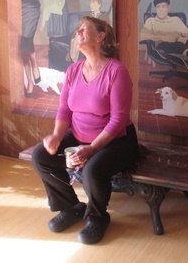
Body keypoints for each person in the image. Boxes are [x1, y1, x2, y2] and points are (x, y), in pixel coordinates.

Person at [32, 16, 139, 245]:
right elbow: (64, 109)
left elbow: (119, 119)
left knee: (92, 169)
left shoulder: (116, 71)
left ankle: (97, 218)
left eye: (83, 30)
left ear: (100, 37)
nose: (78, 34)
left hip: (116, 141)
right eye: (77, 30)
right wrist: (57, 136)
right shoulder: (73, 70)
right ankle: (71, 208)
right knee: (41, 157)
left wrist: (91, 149)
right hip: (80, 137)